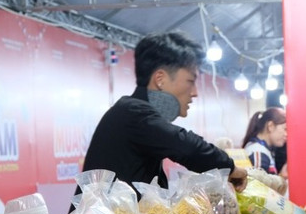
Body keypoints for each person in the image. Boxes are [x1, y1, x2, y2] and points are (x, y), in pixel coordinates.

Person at [78, 31, 247, 198]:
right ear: (160, 79)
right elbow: (186, 146)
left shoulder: (134, 113)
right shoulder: (134, 112)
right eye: (190, 81)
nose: (194, 93)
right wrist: (230, 168)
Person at [241, 107, 287, 175]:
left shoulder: (262, 150)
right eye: (285, 129)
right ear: (270, 126)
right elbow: (259, 184)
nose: (286, 134)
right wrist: (281, 177)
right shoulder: (258, 152)